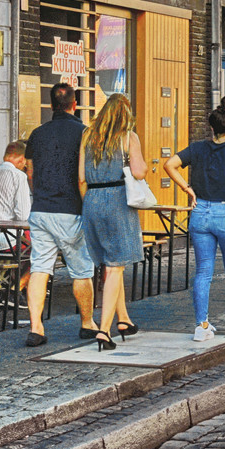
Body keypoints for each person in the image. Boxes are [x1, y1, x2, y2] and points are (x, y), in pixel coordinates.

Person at [166, 97, 225, 341]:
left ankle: (202, 326)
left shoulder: (196, 148)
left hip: (200, 213)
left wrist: (188, 188)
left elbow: (170, 164)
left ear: (212, 127)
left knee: (203, 271)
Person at [23, 83, 96, 348]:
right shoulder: (85, 133)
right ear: (74, 104)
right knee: (81, 269)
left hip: (41, 210)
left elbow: (29, 172)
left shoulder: (37, 134)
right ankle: (87, 323)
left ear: (51, 105)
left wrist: (41, 193)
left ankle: (36, 327)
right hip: (71, 210)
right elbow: (85, 176)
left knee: (40, 268)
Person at [81, 93, 148, 350]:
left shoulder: (88, 136)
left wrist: (89, 203)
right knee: (116, 266)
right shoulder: (128, 137)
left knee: (111, 262)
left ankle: (124, 320)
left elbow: (80, 177)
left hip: (92, 199)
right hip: (118, 199)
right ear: (126, 115)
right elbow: (140, 171)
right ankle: (104, 330)